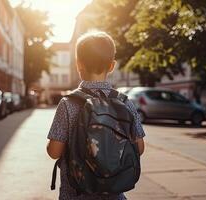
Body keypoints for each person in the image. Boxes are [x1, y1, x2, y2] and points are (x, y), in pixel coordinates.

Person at [47, 31, 145, 200]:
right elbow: (140, 148)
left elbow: (54, 152)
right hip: (114, 193)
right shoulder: (124, 102)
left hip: (75, 194)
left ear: (79, 65)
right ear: (112, 66)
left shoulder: (68, 103)